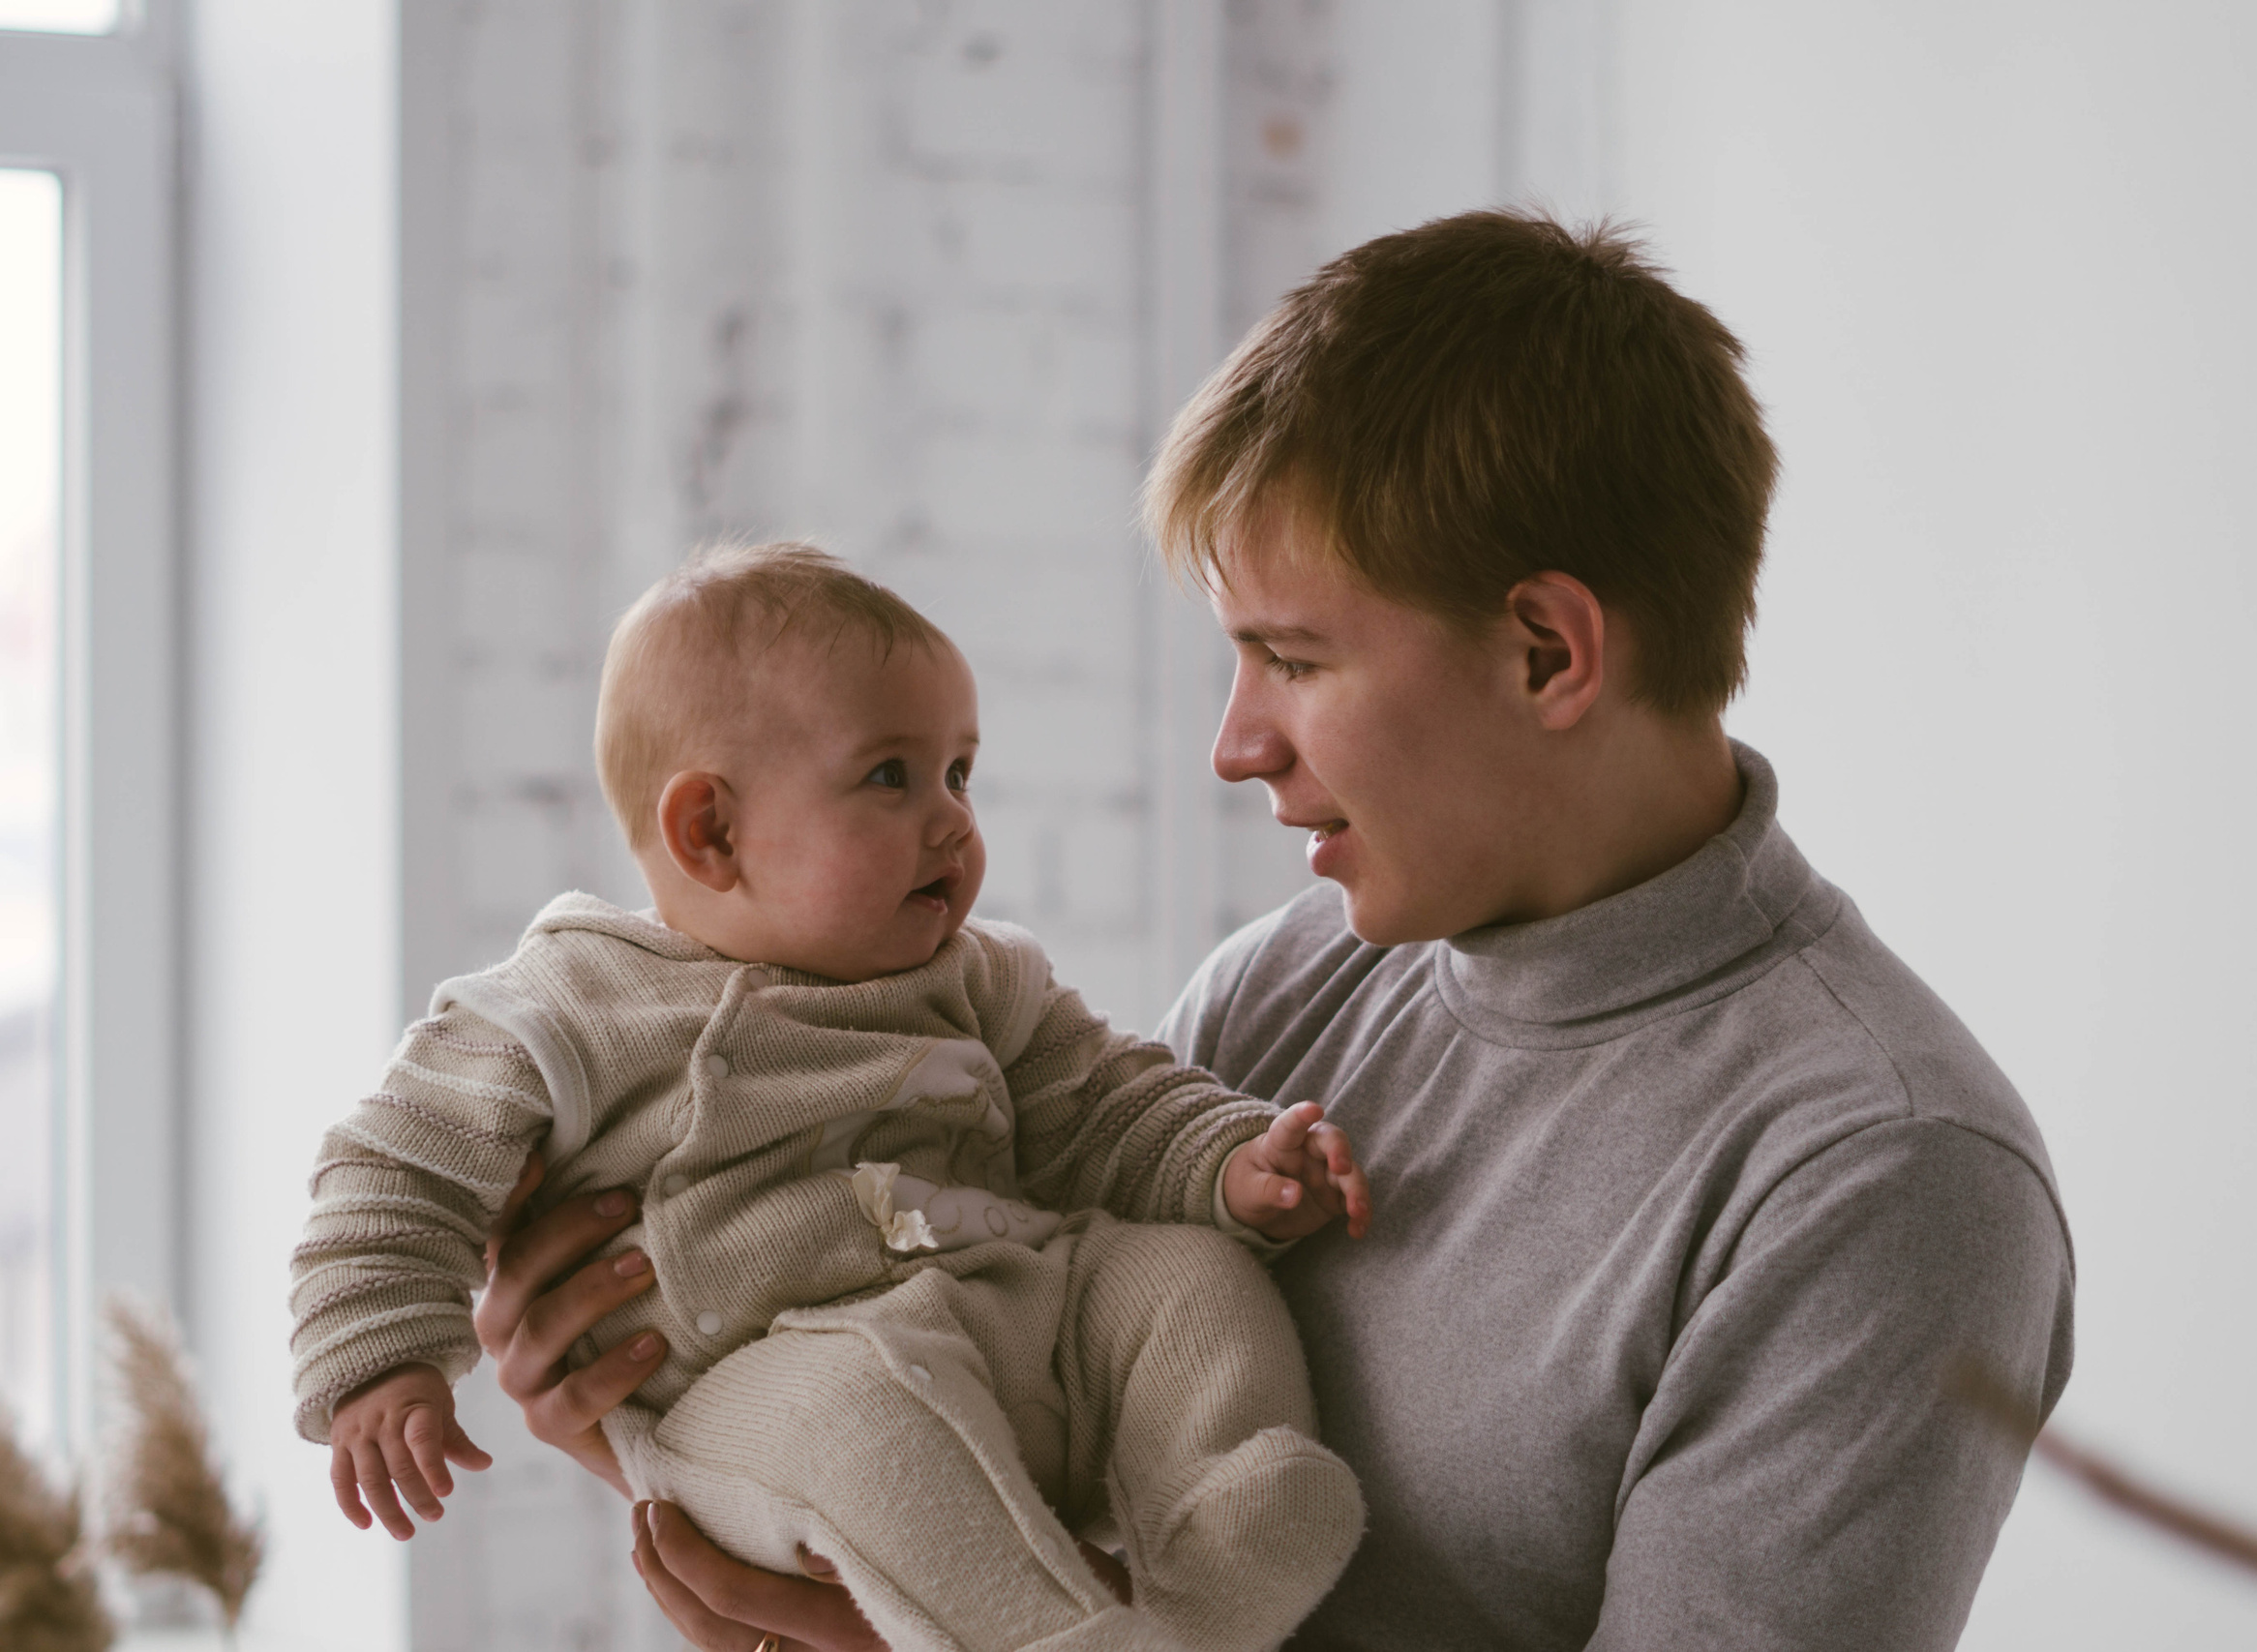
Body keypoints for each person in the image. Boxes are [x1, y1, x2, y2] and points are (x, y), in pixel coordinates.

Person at [481, 211, 2075, 1651]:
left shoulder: (1884, 1174)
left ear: (1545, 650)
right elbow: (978, 1410)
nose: (1234, 743)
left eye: (1294, 660)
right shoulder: (1282, 994)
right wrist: (659, 1380)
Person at [292, 544, 1373, 1652]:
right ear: (711, 832)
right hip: (771, 1391)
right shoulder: (570, 1005)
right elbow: (395, 1165)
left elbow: (1105, 1105)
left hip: (1023, 1331)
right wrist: (384, 1359)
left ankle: (1225, 1536)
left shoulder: (980, 979)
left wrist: (1229, 1164)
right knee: (862, 1417)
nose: (953, 821)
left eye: (960, 774)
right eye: (892, 777)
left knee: (1182, 1272)